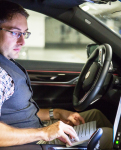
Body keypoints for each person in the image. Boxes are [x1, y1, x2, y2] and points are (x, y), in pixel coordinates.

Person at [0, 0, 112, 149]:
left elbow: (23, 113)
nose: (22, 41)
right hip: (33, 142)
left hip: (35, 131)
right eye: (15, 33)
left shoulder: (8, 62)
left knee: (96, 115)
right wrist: (44, 133)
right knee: (108, 136)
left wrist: (57, 113)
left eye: (24, 33)